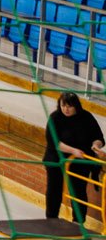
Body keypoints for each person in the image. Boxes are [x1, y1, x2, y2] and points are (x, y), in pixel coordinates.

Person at [44, 92, 105, 227]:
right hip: (57, 157)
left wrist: (96, 145)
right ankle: (51, 219)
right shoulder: (55, 118)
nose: (66, 109)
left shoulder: (86, 117)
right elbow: (54, 142)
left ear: (76, 106)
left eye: (70, 106)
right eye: (63, 106)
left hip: (80, 159)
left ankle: (78, 222)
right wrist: (73, 151)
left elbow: (98, 137)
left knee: (78, 191)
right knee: (54, 189)